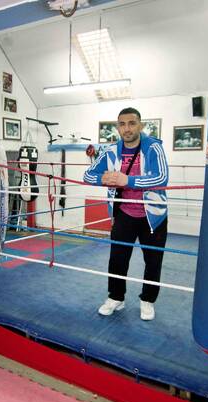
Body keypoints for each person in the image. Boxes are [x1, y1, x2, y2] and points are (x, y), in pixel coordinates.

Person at [83, 107, 169, 321]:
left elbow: (162, 178)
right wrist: (103, 179)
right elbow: (88, 175)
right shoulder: (111, 150)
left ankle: (147, 300)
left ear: (140, 125)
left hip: (153, 216)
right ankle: (116, 297)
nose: (127, 128)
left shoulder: (153, 148)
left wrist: (127, 180)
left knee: (153, 261)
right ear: (118, 127)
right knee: (117, 259)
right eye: (122, 124)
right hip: (124, 214)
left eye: (132, 123)